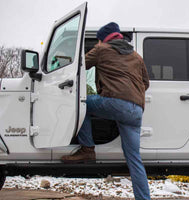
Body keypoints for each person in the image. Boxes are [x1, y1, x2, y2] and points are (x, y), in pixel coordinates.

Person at [61, 22, 150, 200]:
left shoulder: (102, 49)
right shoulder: (136, 55)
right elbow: (145, 83)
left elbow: (76, 68)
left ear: (103, 39)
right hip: (136, 110)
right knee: (134, 159)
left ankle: (87, 149)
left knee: (82, 103)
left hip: (116, 104)